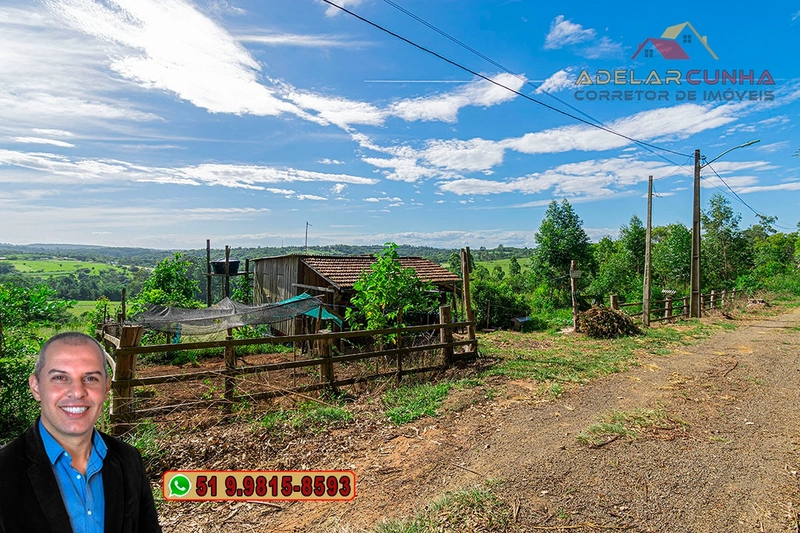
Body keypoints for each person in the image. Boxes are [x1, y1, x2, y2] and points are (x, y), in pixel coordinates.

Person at [0, 332, 161, 533]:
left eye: (90, 378)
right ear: (36, 387)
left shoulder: (128, 460)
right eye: (60, 377)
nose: (77, 392)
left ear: (106, 387)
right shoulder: (4, 470)